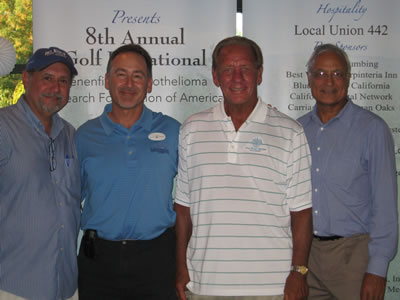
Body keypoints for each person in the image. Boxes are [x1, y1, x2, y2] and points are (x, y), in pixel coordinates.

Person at [175, 36, 313, 300]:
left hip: (272, 287)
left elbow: (302, 213)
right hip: (206, 285)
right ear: (215, 76)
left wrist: (299, 272)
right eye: (228, 69)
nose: (237, 78)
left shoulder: (290, 132)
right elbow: (183, 208)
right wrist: (181, 266)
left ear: (259, 74)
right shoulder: (192, 129)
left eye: (245, 69)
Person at [75, 44, 180, 300]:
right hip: (98, 260)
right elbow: (69, 198)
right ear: (107, 80)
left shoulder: (174, 131)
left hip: (157, 259)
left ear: (150, 84)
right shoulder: (84, 136)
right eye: (121, 74)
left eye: (138, 75)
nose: (128, 83)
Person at [297, 43, 398, 300]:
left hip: (354, 259)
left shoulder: (372, 129)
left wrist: (378, 269)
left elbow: (385, 205)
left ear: (348, 78)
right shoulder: (297, 131)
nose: (328, 81)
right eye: (320, 73)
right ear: (309, 79)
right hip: (305, 258)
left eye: (337, 74)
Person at [0, 47, 80, 300]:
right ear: (26, 78)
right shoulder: (3, 128)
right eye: (47, 78)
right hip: (13, 286)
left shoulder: (71, 135)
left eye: (63, 81)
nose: (55, 88)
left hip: (66, 286)